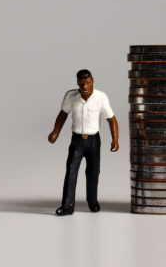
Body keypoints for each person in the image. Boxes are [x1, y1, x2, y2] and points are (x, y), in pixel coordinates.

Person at [48, 69, 119, 216]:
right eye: (81, 83)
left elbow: (111, 119)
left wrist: (115, 139)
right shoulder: (71, 96)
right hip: (77, 141)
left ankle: (92, 200)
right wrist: (56, 131)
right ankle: (67, 205)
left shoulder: (101, 97)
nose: (85, 86)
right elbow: (63, 114)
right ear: (77, 83)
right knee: (71, 171)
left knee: (93, 172)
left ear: (93, 81)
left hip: (93, 141)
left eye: (88, 82)